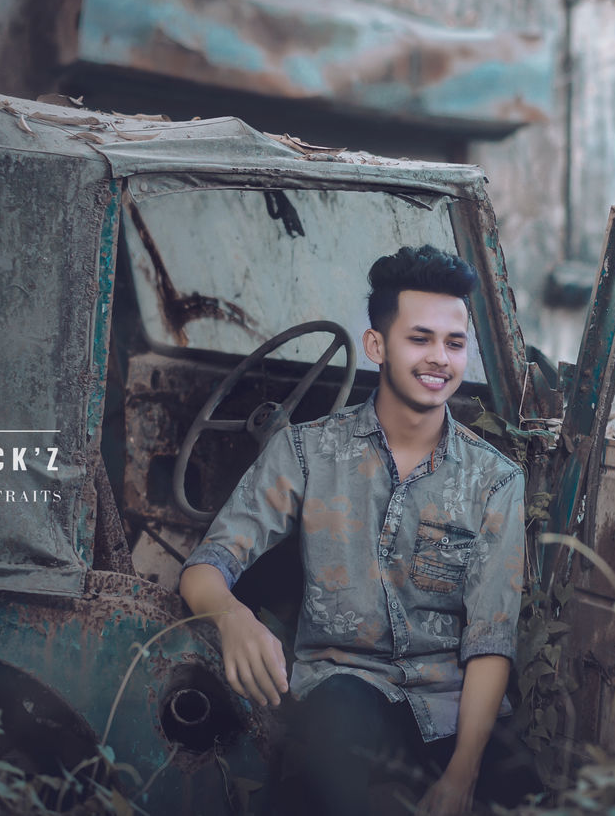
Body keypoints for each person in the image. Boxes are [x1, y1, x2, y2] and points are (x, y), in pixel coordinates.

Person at [179, 245, 528, 816]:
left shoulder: (495, 480)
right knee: (329, 751)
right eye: (420, 338)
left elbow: (491, 640)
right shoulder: (308, 451)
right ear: (376, 346)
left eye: (454, 343)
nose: (439, 358)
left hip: (453, 703)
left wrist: (463, 773)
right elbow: (206, 566)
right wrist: (232, 617)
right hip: (345, 688)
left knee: (527, 795)